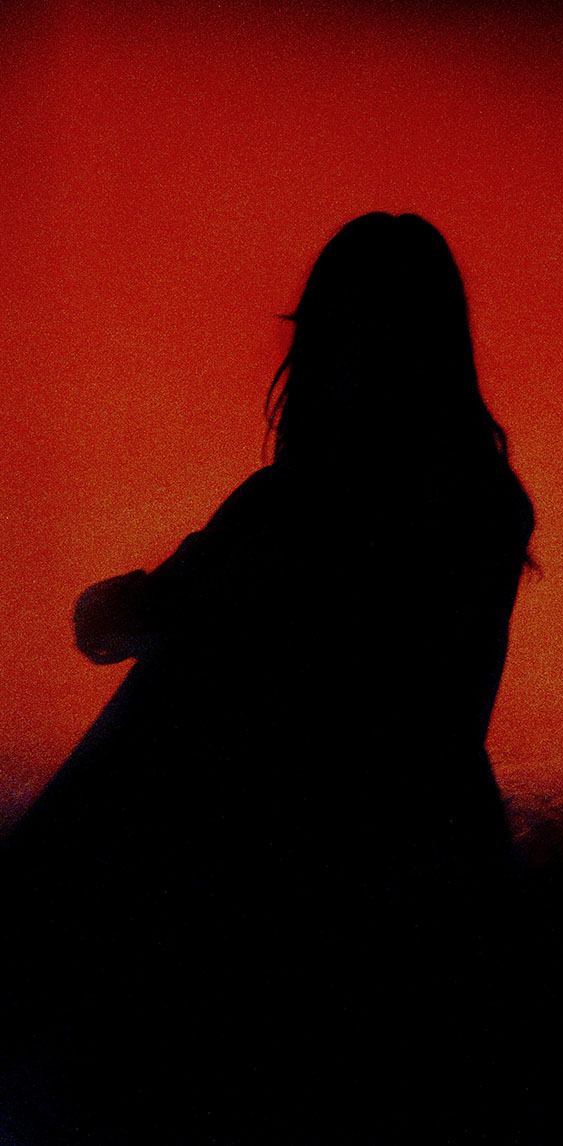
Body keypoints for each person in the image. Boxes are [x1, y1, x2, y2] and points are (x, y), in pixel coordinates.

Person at [3, 212, 534, 1144]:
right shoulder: (489, 502)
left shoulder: (293, 508)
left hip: (272, 888)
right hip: (437, 870)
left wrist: (142, 597)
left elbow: (116, 625)